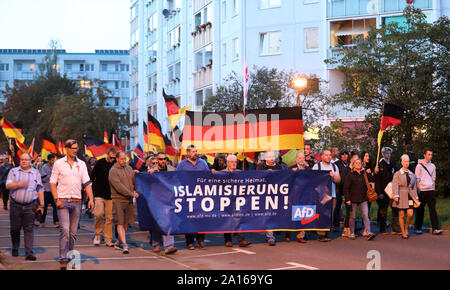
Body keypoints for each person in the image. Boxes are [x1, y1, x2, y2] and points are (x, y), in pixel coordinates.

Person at [50, 139, 94, 270]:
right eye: (73, 148)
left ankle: (70, 257)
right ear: (67, 149)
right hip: (62, 201)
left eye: (76, 148)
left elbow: (87, 183)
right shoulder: (58, 163)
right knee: (64, 230)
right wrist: (56, 199)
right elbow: (52, 182)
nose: (75, 150)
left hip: (76, 202)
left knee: (73, 233)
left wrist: (91, 199)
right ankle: (63, 258)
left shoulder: (82, 164)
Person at [6, 153, 44, 260]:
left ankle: (29, 253)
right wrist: (19, 184)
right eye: (22, 159)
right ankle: (15, 247)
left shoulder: (35, 173)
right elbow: (8, 185)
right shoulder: (13, 171)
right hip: (15, 205)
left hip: (30, 205)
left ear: (30, 161)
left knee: (29, 229)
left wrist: (42, 205)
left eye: (26, 160)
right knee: (15, 228)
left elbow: (40, 189)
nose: (24, 161)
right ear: (20, 161)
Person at [176, 145, 210, 250]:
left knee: (201, 218)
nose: (195, 153)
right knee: (189, 218)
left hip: (201, 195)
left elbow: (208, 176)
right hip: (188, 195)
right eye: (193, 151)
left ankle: (200, 240)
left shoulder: (203, 163)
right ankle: (189, 242)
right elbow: (178, 178)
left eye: (196, 151)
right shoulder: (182, 165)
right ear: (188, 153)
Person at [148, 152, 178, 255]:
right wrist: (149, 175)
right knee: (157, 224)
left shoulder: (172, 170)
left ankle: (169, 246)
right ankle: (156, 244)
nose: (163, 161)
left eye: (164, 159)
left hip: (168, 200)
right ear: (157, 160)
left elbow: (178, 181)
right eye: (160, 159)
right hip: (156, 201)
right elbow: (146, 183)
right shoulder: (152, 171)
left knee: (168, 222)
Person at [109, 151, 138, 254]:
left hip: (128, 200)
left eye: (125, 159)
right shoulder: (113, 171)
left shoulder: (129, 168)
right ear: (117, 159)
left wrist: (139, 175)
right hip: (118, 200)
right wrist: (131, 193)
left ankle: (118, 241)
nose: (123, 161)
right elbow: (119, 187)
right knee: (120, 223)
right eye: (121, 159)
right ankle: (125, 245)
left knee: (125, 224)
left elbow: (133, 181)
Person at [220, 155, 251, 248]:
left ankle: (241, 240)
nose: (234, 163)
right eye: (232, 162)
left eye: (235, 162)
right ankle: (228, 240)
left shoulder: (240, 173)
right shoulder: (221, 173)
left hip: (237, 200)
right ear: (228, 163)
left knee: (239, 219)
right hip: (226, 200)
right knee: (227, 219)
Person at [343, 158, 376, 241]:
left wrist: (374, 171)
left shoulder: (364, 174)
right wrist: (347, 199)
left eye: (359, 163)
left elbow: (373, 179)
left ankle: (368, 232)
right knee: (352, 217)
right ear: (353, 165)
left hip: (363, 199)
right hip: (352, 199)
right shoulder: (350, 175)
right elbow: (346, 188)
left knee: (365, 215)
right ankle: (352, 233)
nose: (358, 164)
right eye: (356, 163)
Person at [91, 147, 117, 247]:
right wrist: (92, 190)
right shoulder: (100, 162)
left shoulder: (115, 165)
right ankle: (98, 235)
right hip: (99, 193)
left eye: (114, 158)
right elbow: (92, 176)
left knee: (110, 218)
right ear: (107, 155)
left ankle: (108, 239)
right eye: (111, 157)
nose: (112, 160)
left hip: (110, 195)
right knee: (99, 214)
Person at [313, 150, 341, 242]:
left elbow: (338, 180)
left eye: (330, 155)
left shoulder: (334, 166)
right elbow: (312, 179)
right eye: (326, 155)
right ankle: (321, 235)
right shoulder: (317, 166)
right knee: (320, 214)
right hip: (320, 195)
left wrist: (333, 177)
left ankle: (326, 232)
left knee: (330, 214)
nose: (328, 156)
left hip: (332, 194)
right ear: (322, 156)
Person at [257, 151, 282, 246]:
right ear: (265, 158)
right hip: (265, 194)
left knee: (276, 214)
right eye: (269, 156)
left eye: (273, 156)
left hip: (277, 193)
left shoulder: (279, 167)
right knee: (268, 214)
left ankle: (274, 232)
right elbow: (257, 178)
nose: (271, 158)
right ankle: (270, 236)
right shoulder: (261, 167)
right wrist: (266, 174)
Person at [414, 148, 442, 235]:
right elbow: (416, 179)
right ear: (424, 155)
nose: (430, 156)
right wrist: (418, 190)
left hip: (430, 190)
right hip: (422, 191)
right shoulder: (419, 166)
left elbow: (433, 178)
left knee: (432, 209)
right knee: (420, 210)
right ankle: (418, 228)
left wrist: (433, 188)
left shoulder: (433, 166)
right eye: (429, 154)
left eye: (431, 154)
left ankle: (435, 228)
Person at [392, 154, 419, 239]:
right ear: (402, 162)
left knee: (410, 214)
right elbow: (395, 185)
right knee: (402, 215)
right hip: (401, 195)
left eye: (408, 161)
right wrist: (396, 195)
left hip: (410, 195)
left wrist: (416, 197)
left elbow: (414, 187)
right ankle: (403, 232)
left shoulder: (412, 174)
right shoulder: (397, 174)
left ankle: (406, 228)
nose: (407, 163)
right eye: (405, 161)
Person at [375, 147, 401, 235]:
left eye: (389, 153)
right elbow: (377, 181)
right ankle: (382, 228)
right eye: (386, 153)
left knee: (395, 208)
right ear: (383, 154)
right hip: (383, 191)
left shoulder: (392, 165)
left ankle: (395, 228)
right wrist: (379, 193)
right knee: (383, 210)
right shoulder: (379, 165)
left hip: (392, 190)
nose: (388, 155)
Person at [289, 152, 309, 243]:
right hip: (294, 194)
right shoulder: (291, 168)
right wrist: (291, 173)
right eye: (300, 158)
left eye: (303, 158)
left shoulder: (308, 169)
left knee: (302, 213)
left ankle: (301, 235)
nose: (301, 160)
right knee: (292, 214)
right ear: (296, 159)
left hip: (305, 194)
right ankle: (288, 233)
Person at [39, 154, 59, 228]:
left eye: (54, 160)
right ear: (49, 160)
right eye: (52, 160)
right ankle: (42, 222)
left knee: (55, 207)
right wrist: (50, 176)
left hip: (53, 191)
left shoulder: (55, 167)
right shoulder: (44, 167)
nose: (53, 161)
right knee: (44, 207)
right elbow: (42, 178)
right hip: (46, 190)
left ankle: (56, 222)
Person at [334, 149, 351, 236]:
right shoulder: (337, 164)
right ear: (340, 156)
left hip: (348, 189)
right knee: (337, 207)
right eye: (343, 154)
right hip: (339, 189)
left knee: (349, 208)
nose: (344, 156)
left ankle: (347, 226)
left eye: (346, 154)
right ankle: (336, 225)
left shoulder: (350, 164)